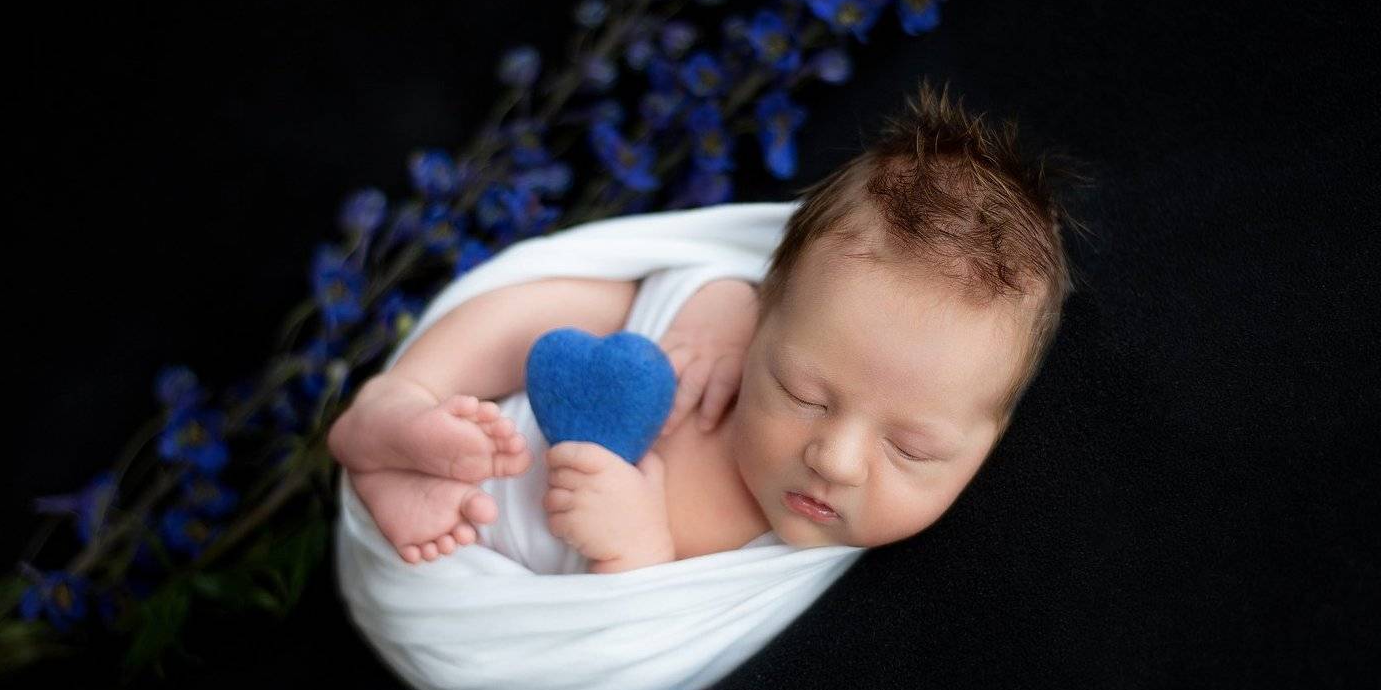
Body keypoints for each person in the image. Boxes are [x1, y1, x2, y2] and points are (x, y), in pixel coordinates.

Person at [326, 78, 1089, 572]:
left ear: (991, 442)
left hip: (492, 557)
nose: (836, 459)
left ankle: (408, 476)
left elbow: (635, 652)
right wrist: (711, 305)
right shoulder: (735, 326)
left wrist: (635, 554)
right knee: (574, 310)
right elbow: (701, 280)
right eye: (803, 394)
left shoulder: (770, 566)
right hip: (503, 406)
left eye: (912, 447)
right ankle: (406, 397)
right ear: (768, 316)